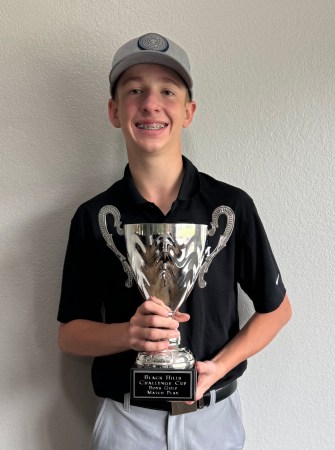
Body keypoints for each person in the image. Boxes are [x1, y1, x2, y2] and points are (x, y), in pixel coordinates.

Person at [57, 32, 292, 449]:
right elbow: (70, 334)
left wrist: (218, 367)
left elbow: (277, 311)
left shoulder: (231, 207)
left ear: (188, 111)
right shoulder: (94, 217)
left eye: (167, 90)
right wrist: (129, 335)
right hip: (127, 423)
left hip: (211, 417)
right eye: (135, 91)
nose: (150, 103)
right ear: (114, 111)